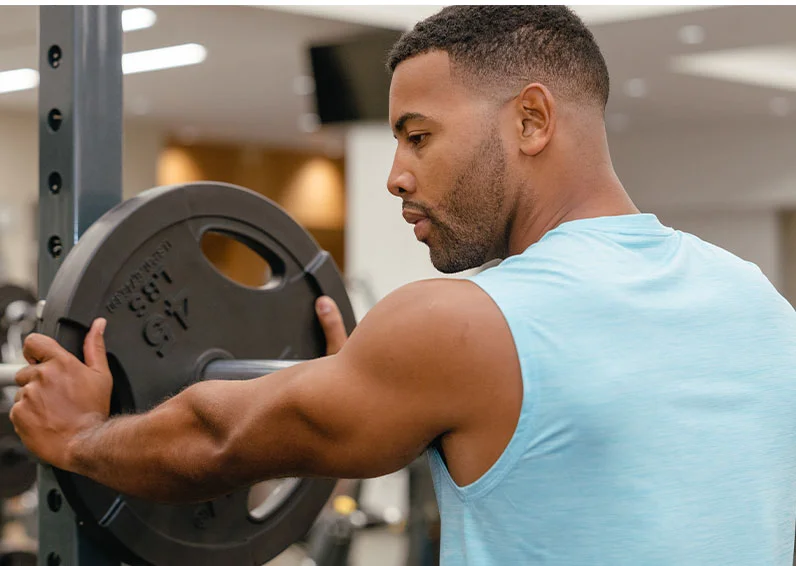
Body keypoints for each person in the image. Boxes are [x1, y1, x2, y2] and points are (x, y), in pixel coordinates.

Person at [10, 6, 796, 565]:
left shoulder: (467, 324)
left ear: (530, 121)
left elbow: (221, 437)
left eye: (418, 136)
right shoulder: (755, 300)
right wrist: (359, 375)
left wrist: (80, 436)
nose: (395, 176)